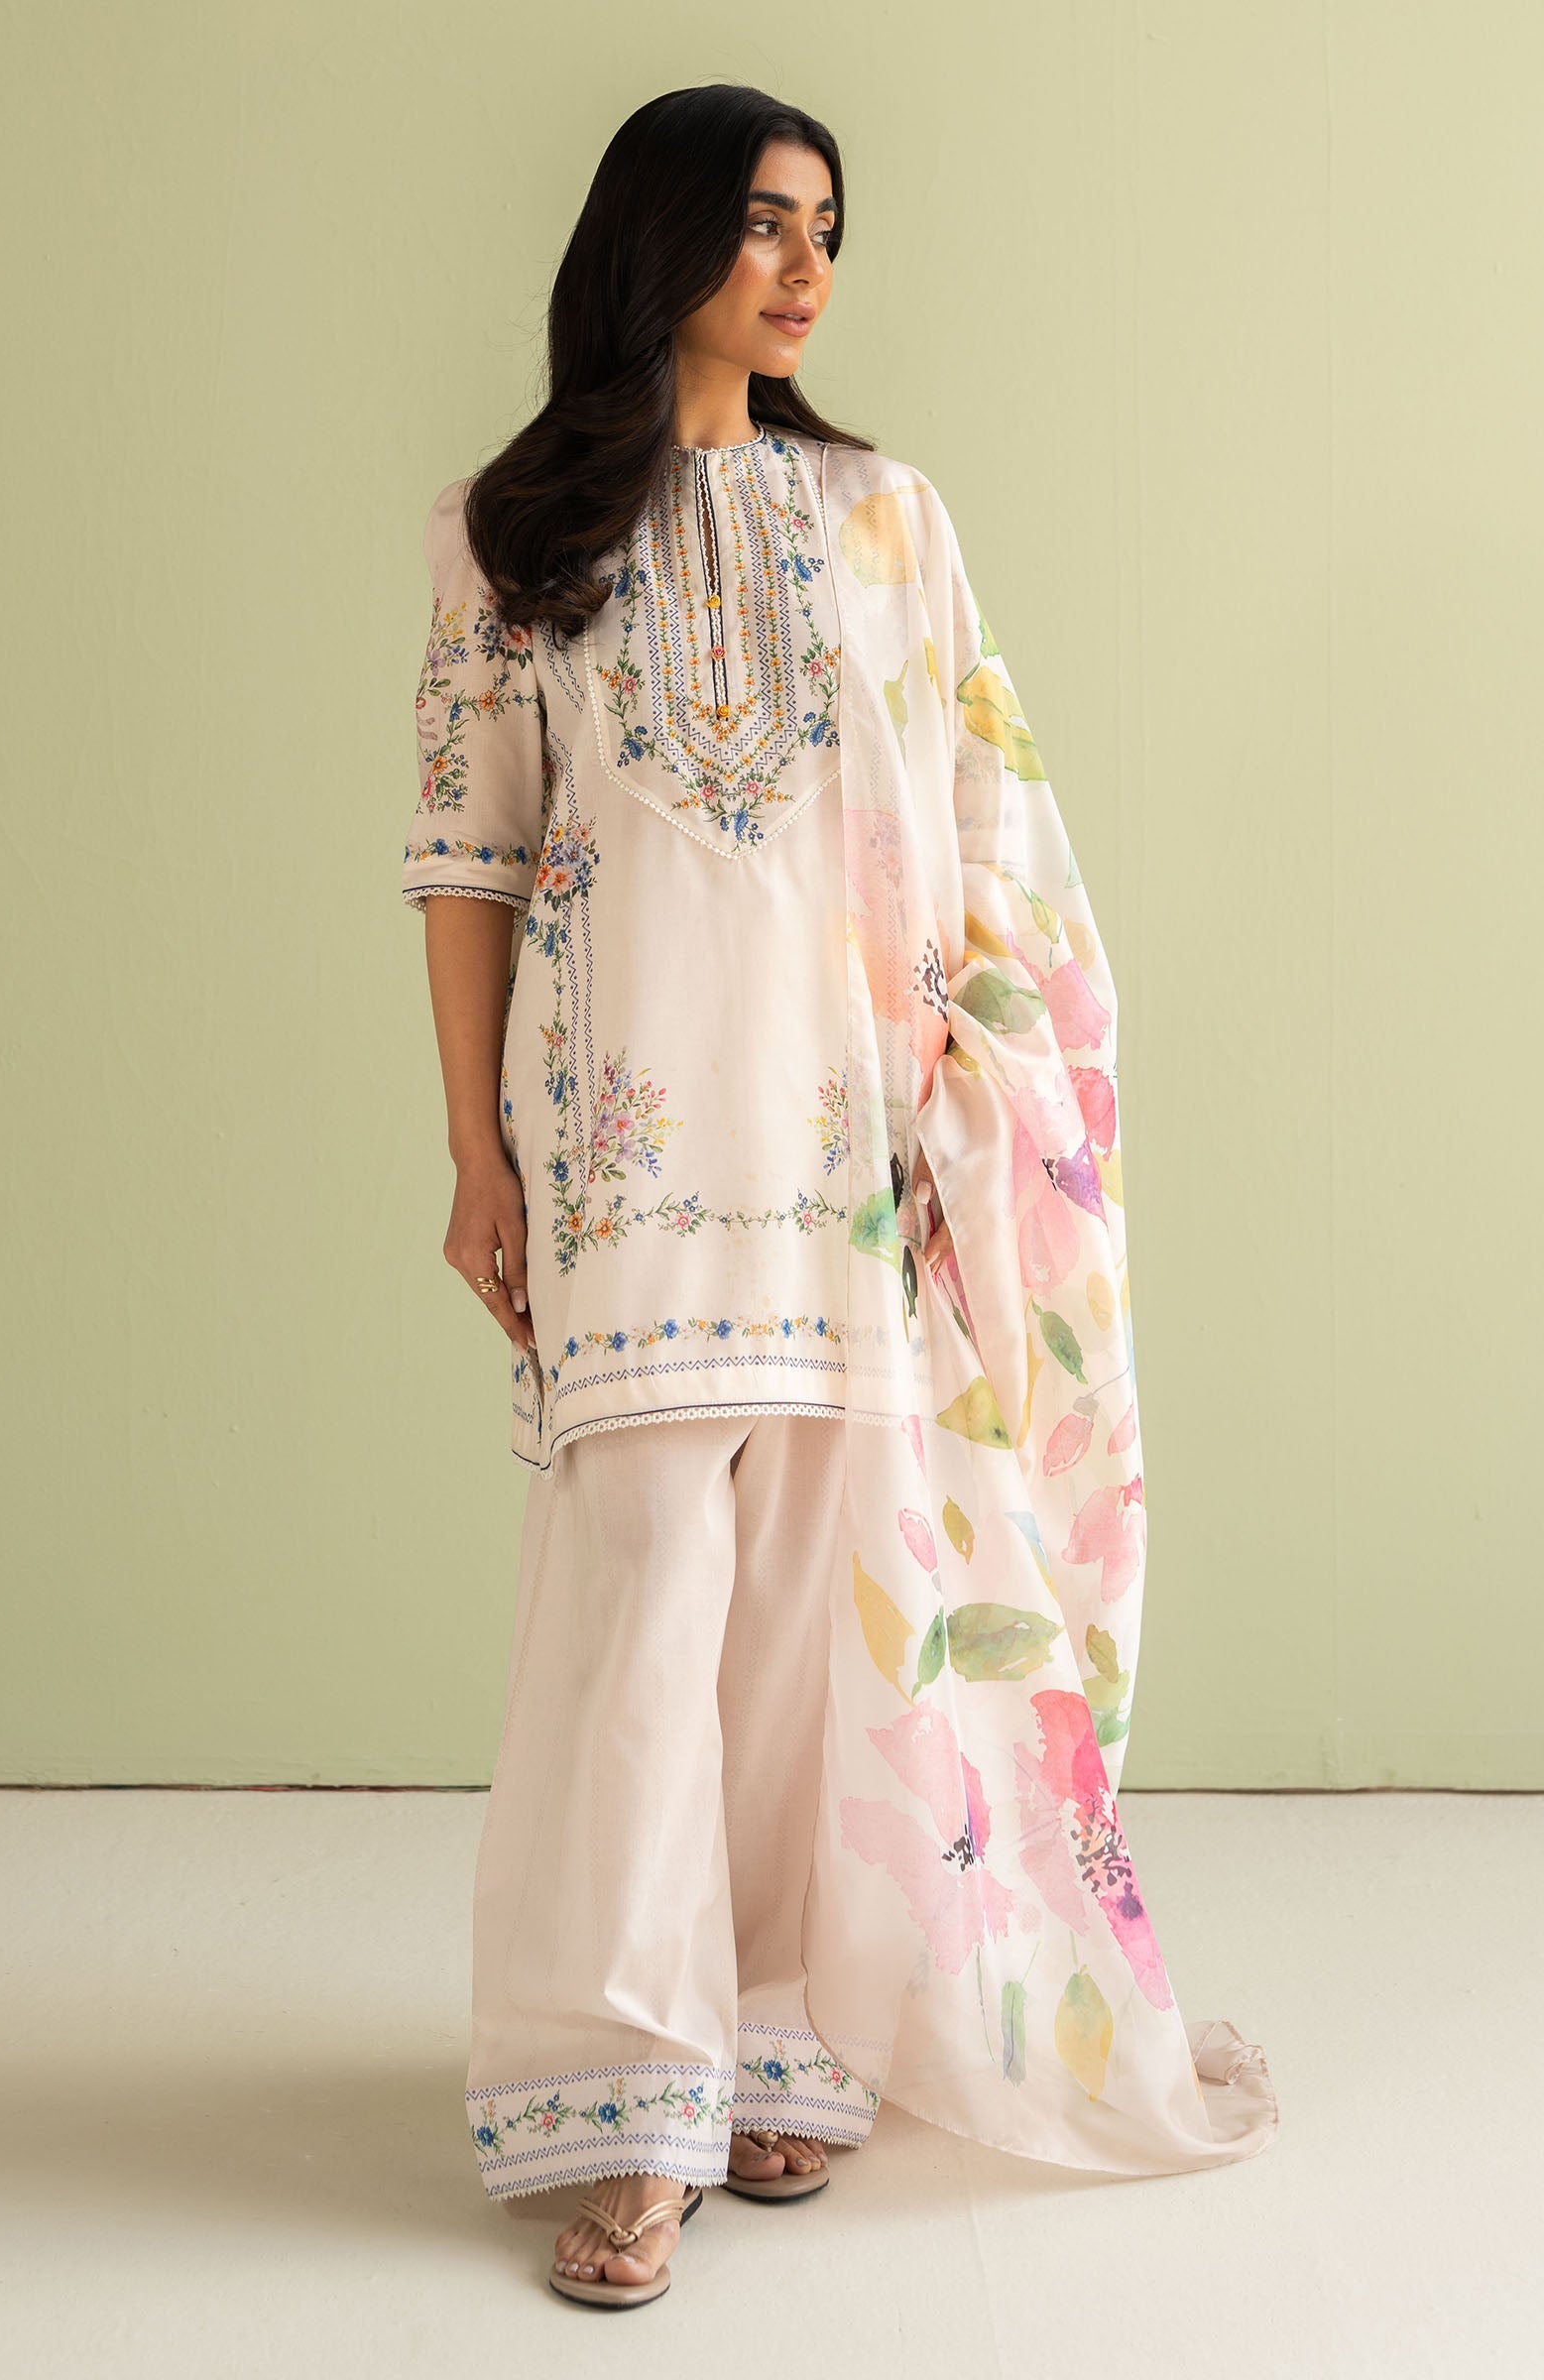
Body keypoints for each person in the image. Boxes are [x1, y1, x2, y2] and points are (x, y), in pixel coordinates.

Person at [401, 83, 1278, 2312]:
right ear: (660, 237)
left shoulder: (887, 520)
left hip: (843, 1167)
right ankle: (628, 2099)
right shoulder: (511, 533)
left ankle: (781, 2045)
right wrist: (474, 1152)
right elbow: (469, 857)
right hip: (623, 1159)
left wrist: (970, 1098)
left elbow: (982, 821)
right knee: (634, 1613)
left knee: (808, 1615)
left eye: (826, 228)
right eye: (764, 224)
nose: (805, 267)